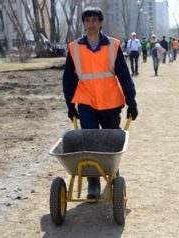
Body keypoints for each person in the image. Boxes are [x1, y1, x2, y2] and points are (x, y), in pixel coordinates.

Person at [62, 7, 138, 199]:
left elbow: (124, 75)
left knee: (110, 143)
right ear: (83, 24)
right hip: (86, 102)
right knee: (89, 143)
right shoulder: (74, 48)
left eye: (95, 20)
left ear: (101, 23)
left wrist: (132, 101)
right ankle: (93, 183)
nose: (91, 24)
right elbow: (68, 80)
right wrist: (70, 106)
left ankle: (113, 175)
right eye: (87, 20)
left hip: (111, 102)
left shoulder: (113, 46)